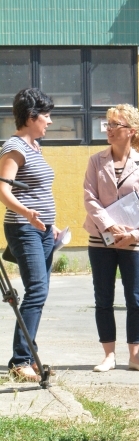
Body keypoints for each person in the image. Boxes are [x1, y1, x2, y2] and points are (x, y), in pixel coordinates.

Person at [83, 105, 139, 373]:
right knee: (103, 297)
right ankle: (108, 355)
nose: (109, 129)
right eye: (108, 124)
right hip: (100, 239)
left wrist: (134, 234)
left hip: (132, 241)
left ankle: (135, 356)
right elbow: (90, 198)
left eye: (116, 125)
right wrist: (110, 226)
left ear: (131, 131)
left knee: (135, 298)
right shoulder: (96, 161)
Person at [0, 88, 60, 382]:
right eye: (46, 116)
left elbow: (39, 191)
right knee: (36, 290)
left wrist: (52, 224)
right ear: (31, 117)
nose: (49, 121)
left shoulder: (35, 147)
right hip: (24, 229)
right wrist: (29, 215)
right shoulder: (15, 147)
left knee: (40, 292)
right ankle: (20, 360)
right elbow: (3, 190)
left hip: (44, 230)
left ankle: (30, 355)